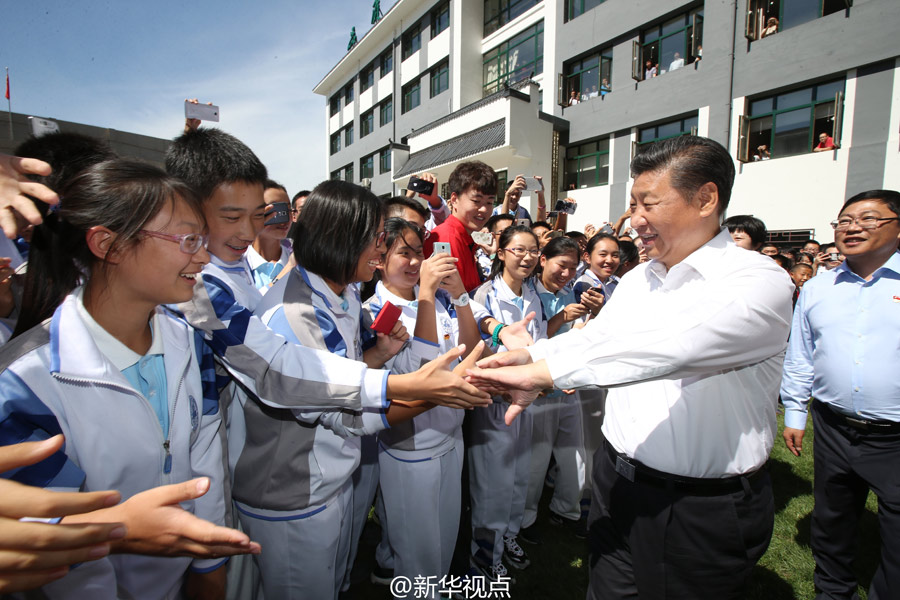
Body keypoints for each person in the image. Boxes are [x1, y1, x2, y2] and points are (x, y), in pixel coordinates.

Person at [467, 135, 794, 600]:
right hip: (617, 483)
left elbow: (672, 347)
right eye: (632, 204)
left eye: (648, 204)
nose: (635, 220)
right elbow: (599, 339)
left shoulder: (757, 282)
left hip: (698, 507)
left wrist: (543, 374)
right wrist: (533, 356)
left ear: (705, 199)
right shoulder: (641, 278)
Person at [0, 160, 233, 599]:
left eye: (202, 239)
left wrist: (209, 559)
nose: (203, 256)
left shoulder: (189, 341)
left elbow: (205, 464)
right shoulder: (25, 381)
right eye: (188, 239)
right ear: (109, 244)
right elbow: (44, 530)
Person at [235, 182, 440, 599]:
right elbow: (340, 410)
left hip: (327, 480)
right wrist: (434, 394)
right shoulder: (294, 315)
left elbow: (341, 377)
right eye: (377, 237)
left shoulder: (339, 290)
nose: (383, 249)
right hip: (291, 496)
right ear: (340, 237)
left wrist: (379, 356)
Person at [781, 189, 900, 600]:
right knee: (832, 521)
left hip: (894, 435)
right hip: (832, 426)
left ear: (898, 228)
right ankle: (833, 592)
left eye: (868, 219)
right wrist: (795, 412)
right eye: (844, 221)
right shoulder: (819, 289)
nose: (852, 228)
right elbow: (802, 355)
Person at [363, 217, 482, 597]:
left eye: (419, 252)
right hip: (409, 449)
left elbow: (470, 348)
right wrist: (428, 296)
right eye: (404, 253)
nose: (415, 262)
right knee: (418, 556)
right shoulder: (374, 311)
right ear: (380, 259)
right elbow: (420, 374)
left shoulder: (436, 300)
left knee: (443, 545)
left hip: (450, 437)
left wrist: (460, 294)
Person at [469, 224, 545, 582]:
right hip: (495, 403)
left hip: (527, 400)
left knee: (519, 478)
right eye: (519, 250)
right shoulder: (484, 296)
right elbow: (478, 349)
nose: (528, 257)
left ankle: (509, 537)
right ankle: (485, 558)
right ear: (500, 254)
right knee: (492, 486)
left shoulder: (533, 296)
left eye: (533, 251)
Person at [520, 236, 589, 544]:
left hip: (567, 387)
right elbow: (531, 343)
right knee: (536, 462)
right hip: (540, 391)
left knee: (576, 455)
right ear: (544, 259)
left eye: (574, 267)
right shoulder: (529, 295)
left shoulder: (569, 293)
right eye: (562, 265)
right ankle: (526, 518)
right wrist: (563, 318)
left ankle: (567, 510)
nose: (567, 273)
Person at [423, 161, 497, 293]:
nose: (484, 209)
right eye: (476, 201)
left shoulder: (466, 238)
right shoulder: (446, 239)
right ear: (454, 199)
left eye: (490, 202)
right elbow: (454, 300)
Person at [245, 179, 293, 291]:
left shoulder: (300, 262)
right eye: (274, 210)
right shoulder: (238, 265)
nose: (284, 218)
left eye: (287, 209)